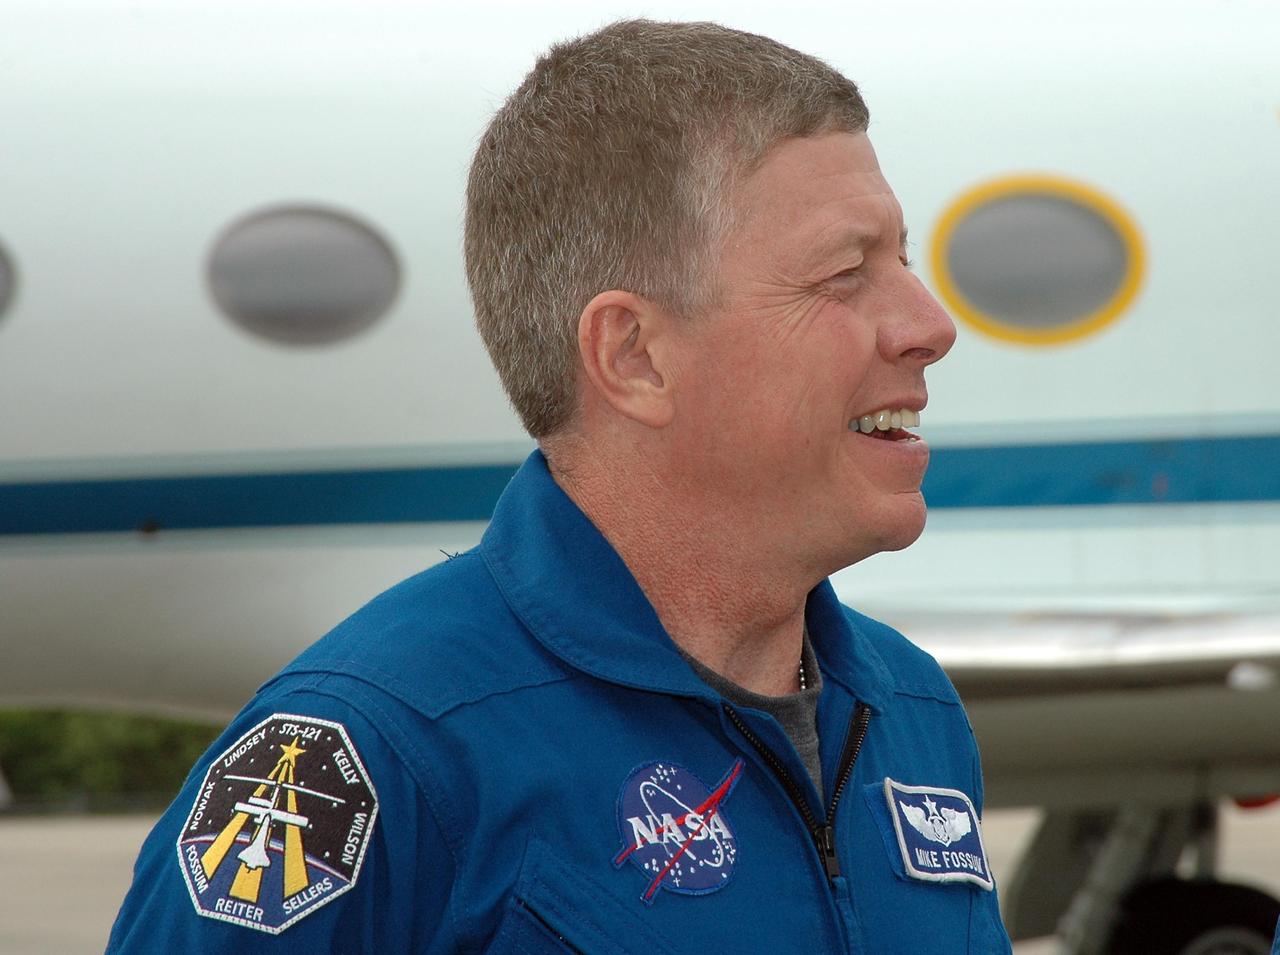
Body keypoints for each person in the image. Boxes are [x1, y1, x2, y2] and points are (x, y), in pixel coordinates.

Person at [109, 19, 1012, 952]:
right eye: (845, 273)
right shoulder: (369, 756)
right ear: (634, 356)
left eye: (902, 260)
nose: (930, 325)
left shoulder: (909, 710)